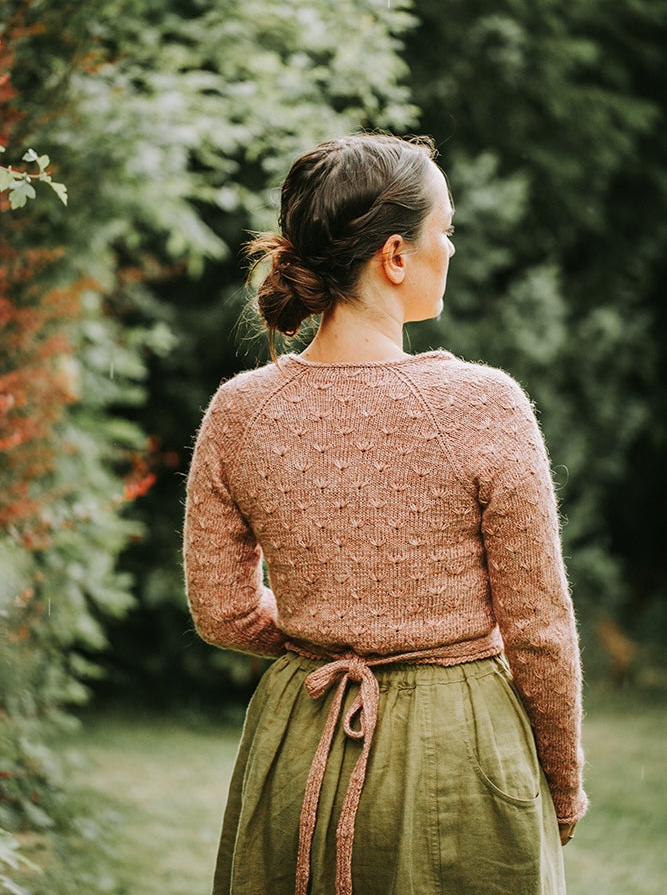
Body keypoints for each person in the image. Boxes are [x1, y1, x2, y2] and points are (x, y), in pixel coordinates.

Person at [183, 132, 587, 895]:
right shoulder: (483, 405)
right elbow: (538, 628)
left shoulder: (240, 411)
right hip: (458, 747)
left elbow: (222, 614)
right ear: (395, 256)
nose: (453, 249)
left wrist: (326, 629)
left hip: (298, 739)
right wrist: (561, 784)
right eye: (448, 231)